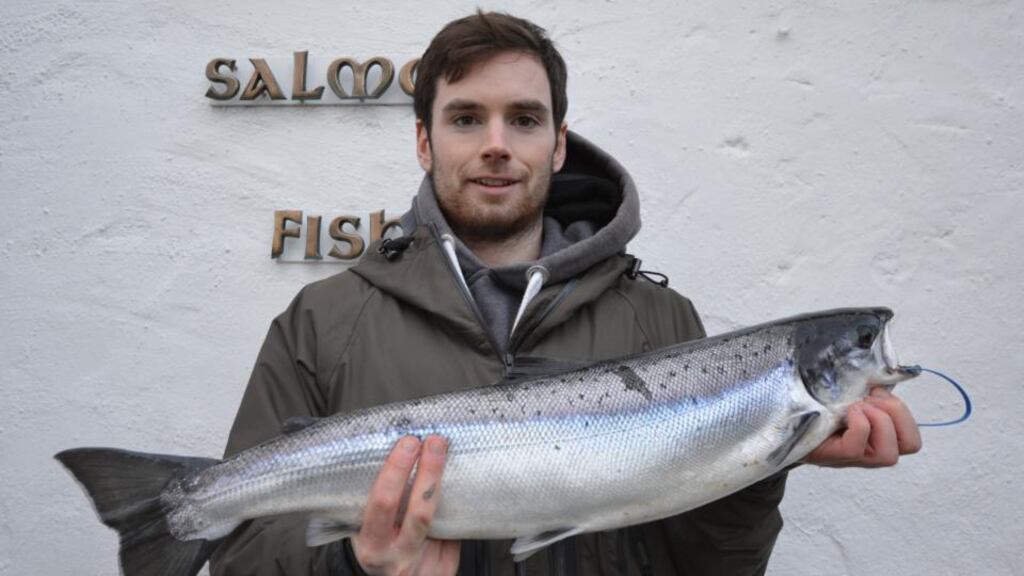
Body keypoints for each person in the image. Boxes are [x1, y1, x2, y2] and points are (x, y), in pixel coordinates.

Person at [210, 11, 921, 576]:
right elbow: (239, 556)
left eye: (523, 118)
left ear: (557, 143)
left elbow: (713, 566)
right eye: (466, 119)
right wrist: (350, 565)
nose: (496, 143)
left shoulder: (663, 320)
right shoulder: (321, 322)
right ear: (424, 142)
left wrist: (768, 458)